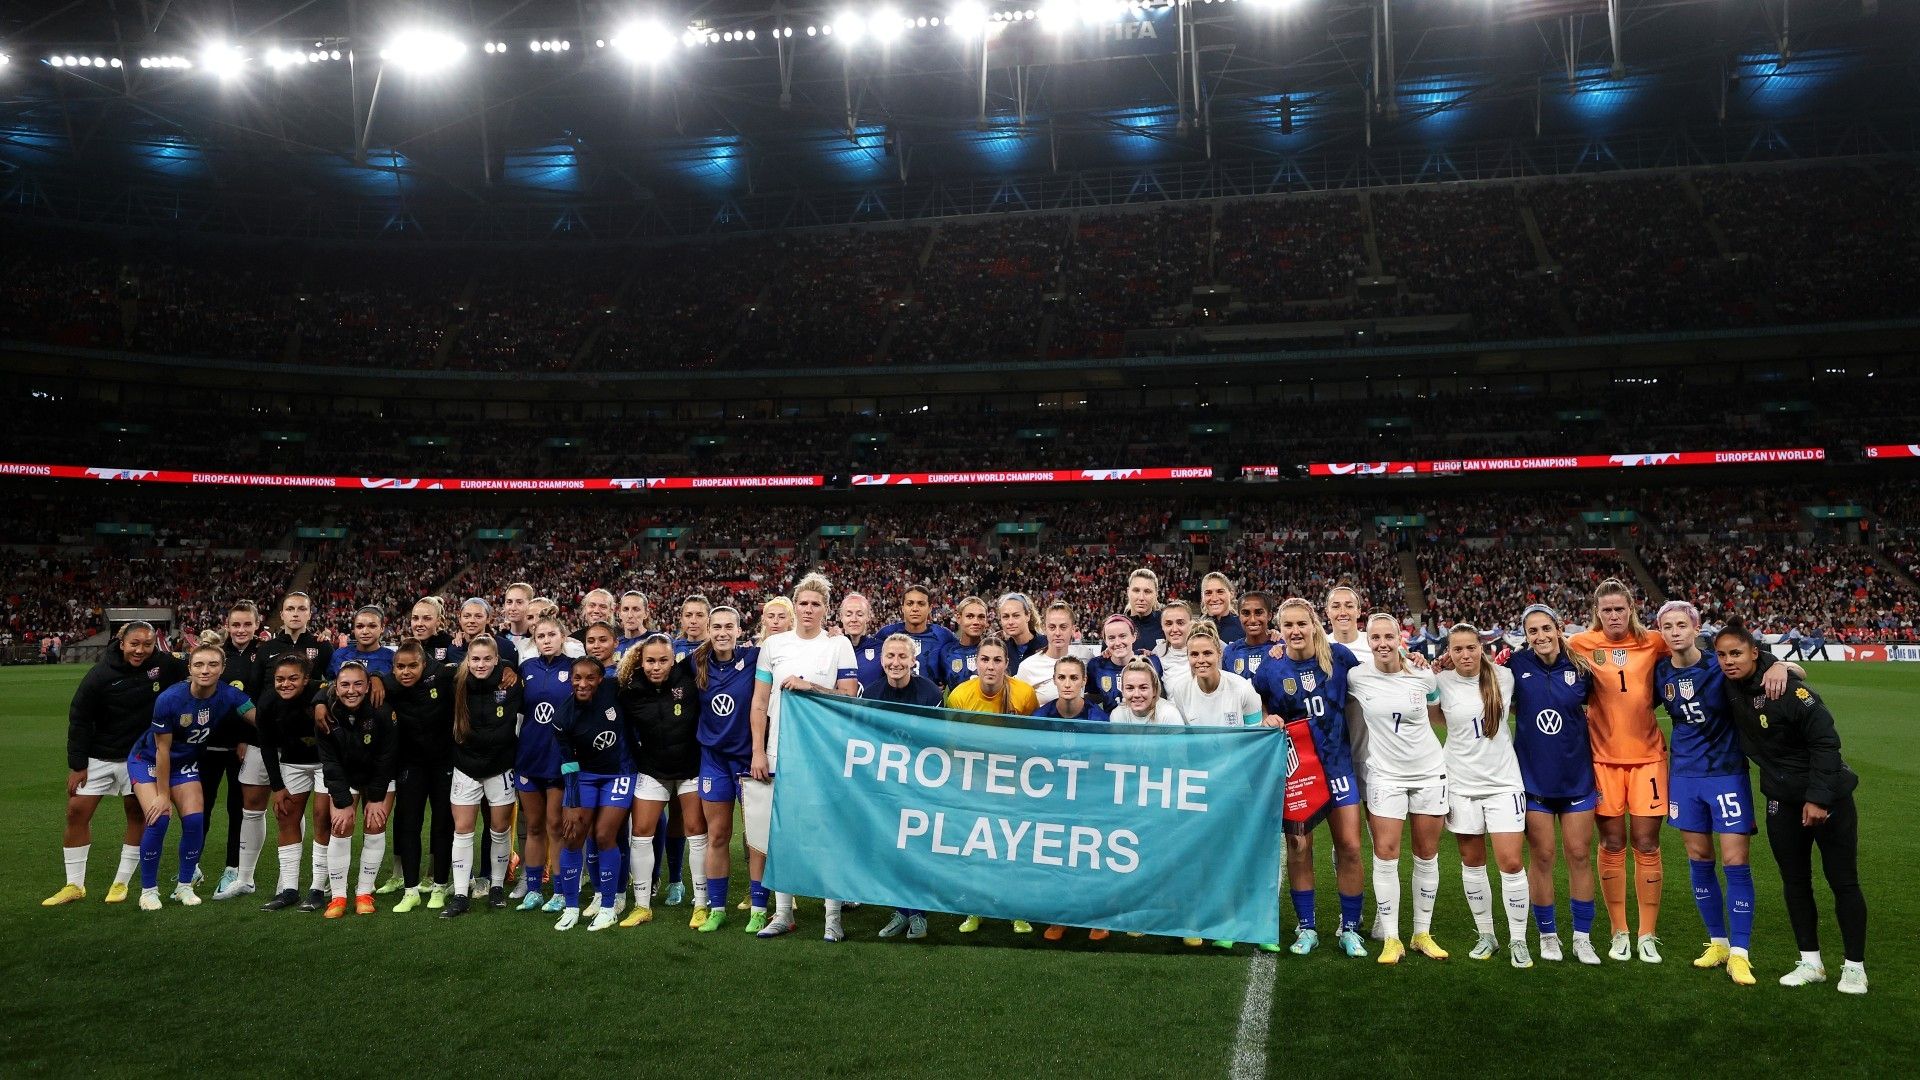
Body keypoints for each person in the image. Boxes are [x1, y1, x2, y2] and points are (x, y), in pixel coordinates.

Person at [1714, 621, 1868, 995]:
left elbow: (1826, 743)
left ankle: (1854, 968)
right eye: (1722, 654)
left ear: (1754, 652)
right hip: (1780, 801)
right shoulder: (1729, 686)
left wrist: (1819, 798)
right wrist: (1783, 663)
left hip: (1827, 799)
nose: (1729, 661)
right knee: (1795, 882)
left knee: (1842, 880)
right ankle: (1811, 962)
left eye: (1737, 653)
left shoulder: (1787, 689)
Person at [1655, 601, 1792, 985]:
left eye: (1683, 624)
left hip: (1726, 774)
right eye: (1668, 626)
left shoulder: (1722, 665)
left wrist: (1781, 664)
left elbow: (1774, 665)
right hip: (1683, 776)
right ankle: (1717, 942)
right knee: (1699, 857)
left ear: (1696, 627)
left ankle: (1740, 953)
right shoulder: (1660, 672)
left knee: (1735, 861)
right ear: (1661, 632)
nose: (1676, 631)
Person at [1252, 597, 1366, 957]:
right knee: (1299, 849)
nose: (1296, 631)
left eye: (1302, 624)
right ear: (1280, 630)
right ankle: (1307, 927)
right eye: (1288, 626)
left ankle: (1350, 928)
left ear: (1315, 625)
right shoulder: (1270, 669)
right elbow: (1258, 703)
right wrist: (1266, 717)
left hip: (1337, 766)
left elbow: (1379, 674)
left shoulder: (1340, 658)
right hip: (1298, 770)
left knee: (1349, 846)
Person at [749, 574, 859, 940]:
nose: (808, 610)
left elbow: (849, 698)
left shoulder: (839, 645)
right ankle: (782, 914)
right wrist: (758, 750)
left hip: (824, 752)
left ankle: (832, 917)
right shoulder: (774, 645)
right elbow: (760, 702)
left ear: (826, 609)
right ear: (794, 606)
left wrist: (810, 686)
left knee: (829, 831)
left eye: (816, 604)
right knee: (782, 832)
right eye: (803, 603)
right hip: (781, 750)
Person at [45, 620, 185, 907]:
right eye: (134, 644)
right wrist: (77, 764)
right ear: (122, 643)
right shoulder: (100, 674)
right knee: (76, 811)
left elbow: (197, 675)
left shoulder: (165, 665)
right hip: (99, 755)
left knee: (137, 815)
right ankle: (74, 884)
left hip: (140, 757)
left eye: (147, 644)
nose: (140, 650)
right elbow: (79, 718)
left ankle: (121, 882)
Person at [1568, 578, 1670, 963]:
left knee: (1646, 844)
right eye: (1607, 609)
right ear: (1597, 612)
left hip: (1648, 759)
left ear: (1631, 609)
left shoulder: (1655, 642)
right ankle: (1618, 931)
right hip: (1602, 761)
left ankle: (1647, 933)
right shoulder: (1580, 644)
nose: (1614, 615)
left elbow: (1700, 651)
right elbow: (1534, 654)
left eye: (1620, 609)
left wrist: (1774, 661)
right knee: (1612, 844)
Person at [1345, 613, 1446, 965]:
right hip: (1385, 775)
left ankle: (1422, 933)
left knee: (1426, 853)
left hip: (1429, 772)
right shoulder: (1356, 677)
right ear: (1368, 641)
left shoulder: (1422, 674)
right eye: (1375, 638)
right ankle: (1391, 937)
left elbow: (1438, 713)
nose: (1382, 643)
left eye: (1389, 636)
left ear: (1400, 639)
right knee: (1386, 853)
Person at [129, 633, 254, 910]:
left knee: (195, 821)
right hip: (149, 760)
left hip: (185, 763)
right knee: (159, 818)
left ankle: (184, 887)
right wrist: (163, 795)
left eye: (212, 664)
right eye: (199, 664)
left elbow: (258, 717)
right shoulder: (169, 699)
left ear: (222, 668)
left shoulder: (231, 695)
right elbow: (162, 751)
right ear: (190, 668)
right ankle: (148, 891)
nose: (205, 670)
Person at [1432, 623, 1531, 968]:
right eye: (1457, 649)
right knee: (1472, 862)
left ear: (1482, 647)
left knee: (1511, 863)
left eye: (1470, 647)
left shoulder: (1503, 677)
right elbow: (1435, 719)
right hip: (1460, 784)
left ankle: (1518, 939)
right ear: (1448, 652)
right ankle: (1486, 935)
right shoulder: (1440, 682)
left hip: (1504, 783)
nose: (1465, 654)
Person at [1507, 604, 1601, 965]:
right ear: (1526, 636)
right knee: (1542, 857)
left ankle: (1582, 937)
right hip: (1534, 780)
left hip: (1576, 778)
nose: (1541, 636)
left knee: (1579, 855)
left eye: (1546, 628)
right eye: (1533, 631)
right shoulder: (1515, 666)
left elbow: (1598, 710)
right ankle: (1548, 936)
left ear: (1558, 628)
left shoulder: (1580, 667)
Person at [946, 635, 1043, 935]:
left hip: (1014, 783)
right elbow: (953, 745)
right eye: (985, 659)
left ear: (1006, 664)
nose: (990, 666)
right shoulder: (960, 696)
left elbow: (1036, 741)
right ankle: (975, 910)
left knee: (1014, 846)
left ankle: (1018, 910)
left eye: (997, 660)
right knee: (977, 847)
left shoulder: (1024, 694)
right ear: (976, 663)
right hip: (975, 784)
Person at [616, 635, 709, 929]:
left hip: (690, 768)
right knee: (641, 833)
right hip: (652, 769)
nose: (656, 667)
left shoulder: (689, 679)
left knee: (696, 832)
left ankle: (701, 904)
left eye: (663, 660)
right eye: (650, 661)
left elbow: (716, 646)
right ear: (641, 662)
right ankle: (642, 905)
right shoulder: (630, 690)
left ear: (674, 659)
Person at [862, 633, 943, 941]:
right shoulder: (871, 692)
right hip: (885, 783)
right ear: (882, 660)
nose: (895, 662)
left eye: (901, 657)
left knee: (918, 846)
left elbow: (935, 742)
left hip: (921, 782)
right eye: (890, 657)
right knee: (891, 846)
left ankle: (919, 913)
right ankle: (899, 911)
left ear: (913, 660)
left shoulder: (929, 692)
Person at [441, 635, 521, 919]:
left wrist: (512, 667)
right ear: (467, 660)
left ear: (497, 660)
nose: (481, 664)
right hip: (466, 766)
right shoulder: (455, 681)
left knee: (499, 829)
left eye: (488, 658)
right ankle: (462, 892)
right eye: (475, 658)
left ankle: (497, 887)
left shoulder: (511, 680)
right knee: (462, 829)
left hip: (501, 766)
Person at [689, 606, 758, 934]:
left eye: (728, 626)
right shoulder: (694, 662)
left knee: (755, 837)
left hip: (748, 761)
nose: (722, 632)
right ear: (708, 629)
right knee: (718, 835)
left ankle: (759, 907)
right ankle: (717, 908)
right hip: (713, 760)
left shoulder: (756, 658)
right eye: (716, 626)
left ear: (739, 630)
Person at [553, 655, 632, 932]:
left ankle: (609, 907)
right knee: (572, 835)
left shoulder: (614, 689)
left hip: (620, 773)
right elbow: (567, 761)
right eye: (577, 678)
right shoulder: (563, 716)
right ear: (571, 679)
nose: (583, 683)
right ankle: (572, 907)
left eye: (589, 678)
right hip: (584, 776)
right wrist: (572, 801)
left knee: (603, 836)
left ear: (600, 679)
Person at [313, 662, 397, 918]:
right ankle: (338, 897)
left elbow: (387, 757)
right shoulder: (325, 713)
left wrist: (375, 797)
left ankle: (363, 892)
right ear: (335, 688)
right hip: (345, 775)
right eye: (345, 685)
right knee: (340, 826)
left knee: (375, 824)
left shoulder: (382, 712)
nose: (352, 690)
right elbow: (329, 761)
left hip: (378, 776)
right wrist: (342, 800)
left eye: (358, 684)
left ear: (368, 685)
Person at [381, 641, 458, 913]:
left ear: (424, 664)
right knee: (409, 824)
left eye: (412, 666)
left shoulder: (445, 676)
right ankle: (411, 890)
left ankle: (439, 885)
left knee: (442, 824)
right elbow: (340, 688)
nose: (406, 672)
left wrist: (506, 667)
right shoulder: (388, 686)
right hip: (410, 765)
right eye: (400, 667)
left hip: (443, 763)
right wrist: (375, 679)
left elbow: (477, 668)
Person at [251, 654, 330, 911]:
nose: (285, 684)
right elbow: (266, 746)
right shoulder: (267, 702)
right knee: (286, 818)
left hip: (324, 763)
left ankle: (319, 888)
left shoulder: (323, 693)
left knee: (322, 818)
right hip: (292, 764)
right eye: (280, 679)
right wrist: (277, 787)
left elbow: (332, 691)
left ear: (306, 679)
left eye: (293, 678)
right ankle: (289, 889)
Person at [208, 600, 268, 901]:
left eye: (247, 624)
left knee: (237, 809)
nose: (241, 630)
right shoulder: (217, 655)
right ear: (227, 625)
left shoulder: (264, 654)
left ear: (257, 624)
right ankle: (190, 868)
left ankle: (232, 868)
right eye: (236, 624)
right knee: (200, 808)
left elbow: (262, 699)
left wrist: (246, 736)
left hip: (242, 746)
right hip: (208, 743)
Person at [514, 615, 575, 911]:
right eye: (541, 636)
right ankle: (535, 889)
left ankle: (561, 891)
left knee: (555, 825)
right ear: (534, 640)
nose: (547, 640)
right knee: (534, 826)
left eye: (552, 634)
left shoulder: (575, 669)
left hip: (559, 759)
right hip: (529, 755)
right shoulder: (524, 669)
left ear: (563, 637)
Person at [1163, 624, 1262, 729]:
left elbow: (1255, 738)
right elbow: (1189, 736)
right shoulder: (1180, 690)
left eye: (1207, 653)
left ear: (1219, 654)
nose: (1200, 660)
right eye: (1194, 654)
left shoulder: (1244, 689)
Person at [876, 583, 958, 678]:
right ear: (902, 608)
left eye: (921, 604)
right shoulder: (886, 634)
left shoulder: (943, 635)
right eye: (910, 604)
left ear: (930, 608)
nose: (915, 609)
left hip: (929, 692)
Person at [260, 591, 334, 687]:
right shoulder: (266, 648)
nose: (295, 614)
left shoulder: (322, 645)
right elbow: (256, 686)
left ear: (309, 615)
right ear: (282, 615)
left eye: (302, 609)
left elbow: (334, 682)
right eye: (290, 609)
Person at [1089, 614, 1159, 714]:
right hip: (1112, 727)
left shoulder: (1152, 662)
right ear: (1105, 641)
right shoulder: (1096, 665)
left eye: (1122, 636)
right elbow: (1092, 697)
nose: (1117, 643)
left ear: (1134, 636)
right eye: (1111, 638)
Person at [1015, 601, 1079, 705]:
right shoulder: (1028, 667)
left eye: (1063, 627)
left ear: (1073, 629)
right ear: (1045, 629)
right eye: (1052, 627)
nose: (1057, 633)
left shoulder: (1084, 658)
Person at [935, 596, 991, 689]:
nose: (976, 622)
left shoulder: (993, 650)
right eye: (970, 616)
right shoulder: (946, 652)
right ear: (958, 618)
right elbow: (940, 685)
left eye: (981, 617)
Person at [1109, 658, 1184, 725]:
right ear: (1122, 691)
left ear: (1154, 690)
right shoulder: (1118, 715)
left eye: (1143, 688)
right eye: (1130, 688)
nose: (1136, 694)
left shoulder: (1169, 713)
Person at [1034, 655, 1107, 723]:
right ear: (1054, 680)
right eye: (1061, 678)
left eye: (1074, 678)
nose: (1067, 684)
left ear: (1084, 680)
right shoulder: (1039, 718)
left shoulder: (1099, 720)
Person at [838, 592, 886, 693]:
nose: (854, 619)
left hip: (870, 708)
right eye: (848, 614)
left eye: (859, 614)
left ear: (868, 617)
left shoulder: (881, 648)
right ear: (841, 617)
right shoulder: (832, 647)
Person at [330, 606, 396, 677]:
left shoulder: (392, 658)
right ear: (354, 629)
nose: (365, 631)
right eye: (360, 626)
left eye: (372, 626)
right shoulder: (339, 655)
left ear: (382, 628)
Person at [1224, 592, 1276, 678]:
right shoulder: (1230, 652)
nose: (1252, 620)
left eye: (1258, 613)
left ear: (1269, 616)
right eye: (1246, 613)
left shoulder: (1281, 647)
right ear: (1239, 616)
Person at [1124, 568, 1166, 653]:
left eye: (1147, 591)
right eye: (1136, 590)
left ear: (1156, 594)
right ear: (1128, 592)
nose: (1141, 598)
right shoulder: (1116, 625)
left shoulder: (1166, 623)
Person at [994, 592, 1041, 668]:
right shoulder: (1000, 649)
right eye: (1005, 616)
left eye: (1016, 616)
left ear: (1027, 616)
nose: (1010, 622)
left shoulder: (1046, 645)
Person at [1199, 572, 1245, 642]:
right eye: (1208, 593)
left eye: (1220, 592)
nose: (1214, 599)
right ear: (1203, 597)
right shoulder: (1196, 629)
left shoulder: (1244, 627)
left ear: (1231, 594)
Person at [1155, 600, 1195, 683]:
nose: (1174, 629)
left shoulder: (1207, 649)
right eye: (1168, 624)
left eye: (1180, 623)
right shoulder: (1157, 653)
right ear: (1162, 627)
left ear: (1191, 625)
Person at [672, 594, 711, 662]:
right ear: (681, 619)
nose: (693, 621)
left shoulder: (717, 648)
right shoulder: (672, 648)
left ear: (709, 619)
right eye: (688, 615)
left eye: (699, 615)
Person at [616, 590, 651, 656]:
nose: (630, 615)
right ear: (620, 614)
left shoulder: (658, 640)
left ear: (646, 614)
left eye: (636, 609)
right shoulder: (614, 646)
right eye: (625, 609)